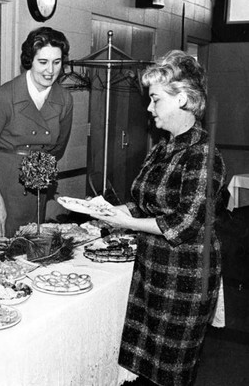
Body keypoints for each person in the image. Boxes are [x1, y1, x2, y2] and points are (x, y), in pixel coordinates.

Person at [89, 50, 226, 386]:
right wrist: (115, 211)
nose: (149, 110)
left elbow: (182, 224)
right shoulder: (163, 147)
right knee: (147, 371)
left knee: (170, 375)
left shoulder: (204, 155)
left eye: (155, 100)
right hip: (152, 270)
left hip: (184, 278)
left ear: (182, 99)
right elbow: (148, 204)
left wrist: (126, 224)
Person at [0, 27, 73, 237]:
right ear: (29, 61)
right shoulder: (5, 96)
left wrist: (40, 176)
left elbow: (58, 148)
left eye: (57, 62)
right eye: (42, 62)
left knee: (33, 249)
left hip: (37, 188)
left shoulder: (64, 99)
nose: (50, 70)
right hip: (2, 187)